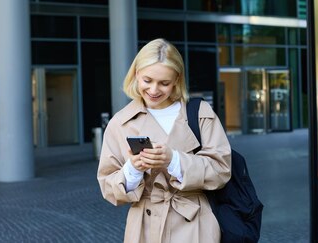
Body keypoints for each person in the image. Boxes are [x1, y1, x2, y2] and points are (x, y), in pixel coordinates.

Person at [97, 38, 232, 243]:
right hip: (144, 225)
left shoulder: (199, 113)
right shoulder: (120, 123)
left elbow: (221, 170)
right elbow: (108, 187)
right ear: (136, 75)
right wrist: (133, 169)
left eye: (164, 83)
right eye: (147, 80)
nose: (154, 90)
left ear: (177, 79)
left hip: (195, 223)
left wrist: (174, 160)